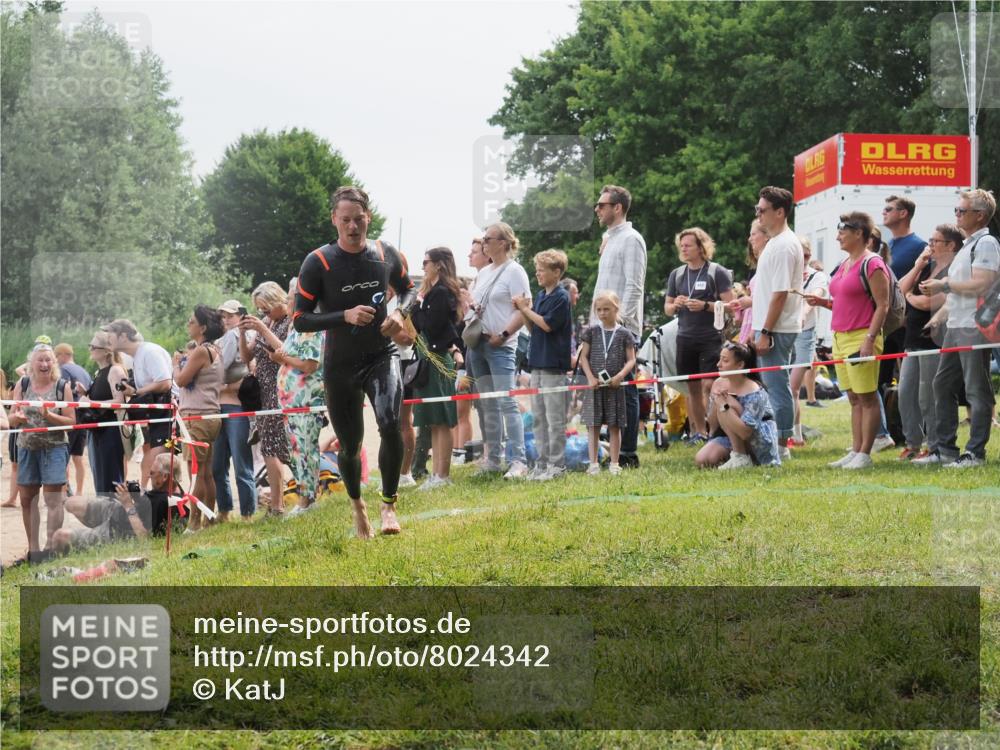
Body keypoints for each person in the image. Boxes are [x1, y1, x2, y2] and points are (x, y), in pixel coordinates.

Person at [293, 186, 416, 538]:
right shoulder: (319, 261)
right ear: (334, 219)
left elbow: (410, 290)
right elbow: (299, 318)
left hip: (381, 353)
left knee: (391, 423)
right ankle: (357, 506)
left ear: (368, 218)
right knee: (350, 446)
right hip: (340, 364)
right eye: (345, 220)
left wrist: (400, 313)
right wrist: (343, 315)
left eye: (358, 220)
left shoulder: (384, 252)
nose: (352, 227)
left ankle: (389, 505)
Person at [918, 189, 1000, 468]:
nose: (956, 215)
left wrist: (943, 285)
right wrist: (940, 316)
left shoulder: (986, 243)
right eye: (956, 210)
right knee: (942, 384)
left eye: (961, 211)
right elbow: (959, 293)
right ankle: (945, 450)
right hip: (956, 325)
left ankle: (975, 453)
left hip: (974, 327)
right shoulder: (967, 245)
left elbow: (982, 284)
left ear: (979, 215)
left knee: (977, 390)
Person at [810, 212, 890, 470]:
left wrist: (868, 340)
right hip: (840, 336)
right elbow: (846, 302)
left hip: (861, 336)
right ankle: (855, 450)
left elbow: (883, 305)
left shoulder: (873, 264)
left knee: (867, 397)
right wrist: (823, 303)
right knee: (854, 397)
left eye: (842, 231)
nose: (837, 236)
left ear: (859, 233)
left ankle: (865, 453)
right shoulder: (845, 263)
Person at [465, 221, 532, 479]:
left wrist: (503, 334)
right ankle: (493, 458)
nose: (484, 242)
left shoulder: (515, 272)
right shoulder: (483, 273)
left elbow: (523, 310)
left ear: (503, 242)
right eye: (484, 238)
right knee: (487, 403)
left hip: (501, 345)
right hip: (478, 343)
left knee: (506, 401)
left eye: (488, 238)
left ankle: (519, 461)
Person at [593, 184, 647, 468]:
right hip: (604, 326)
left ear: (618, 207)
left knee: (625, 388)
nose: (597, 209)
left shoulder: (631, 239)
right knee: (609, 388)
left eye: (602, 205)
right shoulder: (610, 239)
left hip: (622, 327)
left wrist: (621, 325)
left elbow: (634, 285)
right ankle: (614, 450)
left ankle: (627, 453)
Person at [664, 227, 735, 444]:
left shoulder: (716, 271)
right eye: (681, 246)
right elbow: (666, 307)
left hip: (710, 337)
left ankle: (716, 430)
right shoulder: (677, 274)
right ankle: (700, 432)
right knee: (692, 388)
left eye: (688, 245)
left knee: (709, 385)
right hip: (685, 337)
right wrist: (675, 305)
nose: (684, 249)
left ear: (701, 247)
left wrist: (705, 306)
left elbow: (731, 306)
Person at [895, 225, 960, 461]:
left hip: (934, 341)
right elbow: (899, 291)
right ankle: (913, 443)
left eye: (935, 241)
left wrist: (911, 297)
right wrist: (918, 265)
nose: (929, 245)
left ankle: (934, 447)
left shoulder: (953, 271)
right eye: (930, 240)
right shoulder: (926, 267)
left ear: (951, 245)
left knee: (927, 397)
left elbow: (929, 303)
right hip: (912, 340)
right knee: (905, 394)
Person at [6, 343, 75, 558]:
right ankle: (34, 551)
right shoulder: (23, 383)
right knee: (27, 499)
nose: (45, 364)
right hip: (27, 449)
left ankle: (51, 549)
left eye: (49, 360)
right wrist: (15, 418)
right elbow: (9, 418)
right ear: (31, 363)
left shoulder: (62, 386)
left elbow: (72, 421)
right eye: (40, 360)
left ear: (54, 363)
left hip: (54, 449)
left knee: (54, 500)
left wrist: (49, 415)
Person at [752, 187, 804, 457]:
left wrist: (766, 331)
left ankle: (782, 446)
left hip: (777, 328)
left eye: (763, 210)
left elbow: (780, 294)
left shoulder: (784, 245)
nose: (758, 214)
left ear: (780, 212)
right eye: (757, 210)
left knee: (777, 386)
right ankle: (777, 440)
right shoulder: (774, 242)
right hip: (768, 326)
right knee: (772, 385)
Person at [514, 249, 572, 481]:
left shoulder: (561, 297)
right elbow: (534, 328)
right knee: (538, 417)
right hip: (537, 363)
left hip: (553, 366)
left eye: (542, 270)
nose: (537, 273)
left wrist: (526, 309)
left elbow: (548, 325)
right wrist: (524, 311)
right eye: (536, 269)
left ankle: (557, 465)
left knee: (554, 419)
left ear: (556, 272)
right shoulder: (540, 296)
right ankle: (542, 463)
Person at [52, 452, 180, 553]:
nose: (148, 476)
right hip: (118, 510)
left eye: (152, 473)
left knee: (60, 537)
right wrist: (139, 494)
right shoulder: (173, 490)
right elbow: (149, 503)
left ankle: (83, 541)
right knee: (71, 503)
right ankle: (89, 532)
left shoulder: (165, 503)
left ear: (164, 477)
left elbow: (144, 538)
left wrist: (128, 504)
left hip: (118, 531)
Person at [411, 247, 464, 490]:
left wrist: (418, 308)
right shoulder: (431, 293)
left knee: (443, 418)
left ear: (438, 265)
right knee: (433, 420)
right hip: (428, 357)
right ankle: (436, 474)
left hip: (438, 359)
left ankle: (443, 474)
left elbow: (429, 326)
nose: (423, 267)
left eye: (425, 262)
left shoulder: (441, 293)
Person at [275, 277, 327, 515]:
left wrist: (281, 359)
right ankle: (303, 498)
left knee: (305, 450)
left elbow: (309, 364)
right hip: (291, 403)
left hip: (306, 400)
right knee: (296, 451)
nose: (286, 301)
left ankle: (308, 500)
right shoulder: (295, 327)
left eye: (289, 296)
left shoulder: (311, 326)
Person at [240, 282, 292, 516]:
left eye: (266, 309)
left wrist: (261, 328)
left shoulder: (291, 321)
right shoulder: (270, 321)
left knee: (275, 448)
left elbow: (286, 350)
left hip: (280, 389)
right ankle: (278, 504)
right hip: (263, 390)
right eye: (260, 311)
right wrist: (242, 332)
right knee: (271, 448)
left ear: (278, 301)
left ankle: (279, 505)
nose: (264, 314)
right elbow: (247, 355)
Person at [102, 319, 173, 488]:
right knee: (154, 466)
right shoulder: (138, 355)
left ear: (124, 336)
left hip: (167, 413)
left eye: (110, 334)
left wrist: (135, 392)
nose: (107, 339)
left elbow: (165, 383)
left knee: (158, 466)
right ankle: (161, 507)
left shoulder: (149, 351)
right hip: (158, 415)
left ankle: (167, 508)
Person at [173, 305, 225, 528]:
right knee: (206, 471)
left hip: (197, 416)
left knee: (196, 472)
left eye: (192, 321)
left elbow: (181, 381)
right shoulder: (215, 350)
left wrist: (176, 364)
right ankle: (209, 519)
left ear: (203, 327)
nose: (188, 324)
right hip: (211, 414)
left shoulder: (202, 351)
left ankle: (194, 522)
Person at [695, 341, 781, 469]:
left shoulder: (755, 391)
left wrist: (725, 404)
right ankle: (738, 455)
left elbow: (746, 432)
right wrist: (716, 400)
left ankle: (741, 457)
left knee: (728, 405)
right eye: (720, 359)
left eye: (725, 361)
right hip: (731, 435)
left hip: (758, 439)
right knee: (704, 460)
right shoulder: (718, 383)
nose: (718, 364)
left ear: (740, 365)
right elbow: (713, 427)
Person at [579, 291, 637, 475]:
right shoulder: (591, 332)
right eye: (599, 310)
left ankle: (614, 463)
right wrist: (589, 377)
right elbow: (583, 358)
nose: (602, 313)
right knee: (593, 426)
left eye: (606, 309)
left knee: (614, 425)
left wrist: (620, 376)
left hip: (615, 387)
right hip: (595, 387)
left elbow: (631, 360)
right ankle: (593, 463)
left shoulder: (625, 334)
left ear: (616, 309)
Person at [212, 299, 257, 519]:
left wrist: (212, 384)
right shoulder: (225, 337)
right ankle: (229, 511)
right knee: (220, 464)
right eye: (223, 316)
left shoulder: (233, 336)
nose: (226, 319)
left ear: (241, 316)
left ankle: (241, 512)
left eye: (230, 315)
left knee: (239, 463)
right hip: (223, 403)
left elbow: (221, 367)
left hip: (234, 405)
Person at [788, 237, 828, 446]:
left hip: (805, 333)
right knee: (787, 388)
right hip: (783, 332)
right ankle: (794, 434)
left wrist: (803, 313)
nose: (803, 260)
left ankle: (794, 434)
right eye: (799, 255)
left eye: (806, 255)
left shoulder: (818, 276)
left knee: (792, 387)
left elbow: (816, 296)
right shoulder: (786, 274)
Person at [83, 331, 128, 494]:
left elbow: (120, 402)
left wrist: (91, 402)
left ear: (106, 350)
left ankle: (116, 515)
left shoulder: (115, 371)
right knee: (100, 476)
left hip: (111, 431)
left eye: (93, 346)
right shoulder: (99, 373)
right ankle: (106, 514)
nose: (90, 349)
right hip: (98, 431)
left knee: (111, 477)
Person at [54, 343, 93, 496]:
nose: (56, 361)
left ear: (63, 355)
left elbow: (62, 393)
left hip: (71, 417)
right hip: (84, 418)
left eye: (56, 357)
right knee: (78, 457)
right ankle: (80, 491)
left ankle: (64, 491)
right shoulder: (84, 371)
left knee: (64, 454)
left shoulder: (64, 370)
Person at [730, 220, 768, 346]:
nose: (749, 239)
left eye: (753, 234)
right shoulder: (760, 267)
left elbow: (773, 298)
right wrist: (740, 306)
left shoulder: (769, 263)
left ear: (766, 236)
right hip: (752, 322)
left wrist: (750, 302)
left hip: (759, 325)